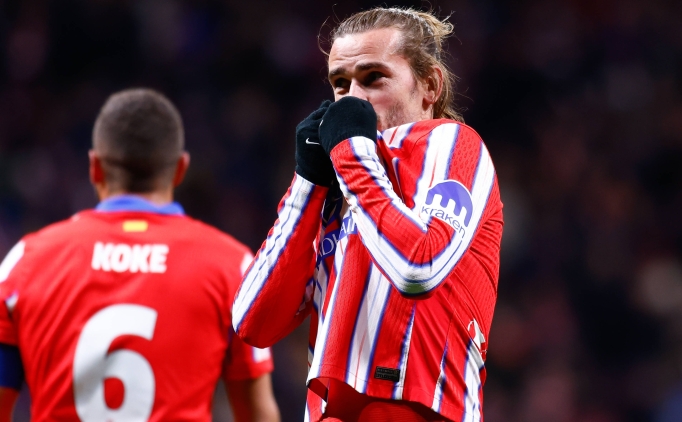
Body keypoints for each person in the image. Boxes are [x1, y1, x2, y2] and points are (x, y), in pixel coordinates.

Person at [233, 6, 503, 422]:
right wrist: (307, 182)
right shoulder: (337, 183)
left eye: (373, 78)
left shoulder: (453, 145)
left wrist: (351, 154)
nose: (353, 100)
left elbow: (418, 269)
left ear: (430, 86)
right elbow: (253, 322)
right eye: (340, 84)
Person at [0, 89, 280, 422]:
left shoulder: (26, 262)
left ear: (94, 168)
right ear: (180, 169)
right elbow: (258, 415)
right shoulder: (233, 268)